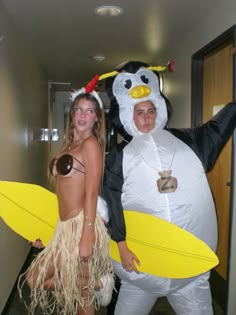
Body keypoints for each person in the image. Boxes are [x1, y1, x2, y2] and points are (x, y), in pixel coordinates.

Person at [102, 60, 236, 315]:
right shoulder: (120, 156)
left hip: (188, 269)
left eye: (150, 111)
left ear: (159, 110)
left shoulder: (186, 141)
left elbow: (216, 129)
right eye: (139, 113)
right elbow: (112, 200)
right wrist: (120, 244)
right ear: (129, 114)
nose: (146, 118)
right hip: (141, 266)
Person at [18, 76, 114, 315]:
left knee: (35, 278)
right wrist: (46, 230)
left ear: (97, 118)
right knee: (82, 297)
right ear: (72, 114)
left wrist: (86, 236)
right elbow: (60, 194)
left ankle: (100, 283)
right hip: (64, 227)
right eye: (79, 110)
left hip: (80, 226)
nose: (83, 115)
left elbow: (91, 193)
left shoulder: (90, 145)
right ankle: (95, 284)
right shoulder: (68, 145)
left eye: (90, 111)